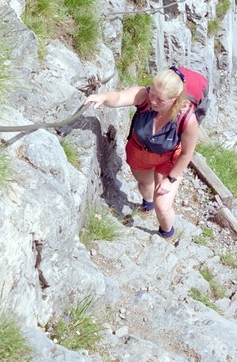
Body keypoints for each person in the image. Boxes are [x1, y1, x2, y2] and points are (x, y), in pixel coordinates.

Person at [84, 68, 199, 238]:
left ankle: (167, 233)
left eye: (160, 100)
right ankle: (148, 204)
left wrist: (170, 179)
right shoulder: (144, 97)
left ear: (175, 99)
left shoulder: (187, 120)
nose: (153, 101)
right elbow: (120, 97)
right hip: (139, 153)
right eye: (152, 93)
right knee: (145, 185)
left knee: (163, 206)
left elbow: (187, 154)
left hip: (168, 159)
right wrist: (103, 97)